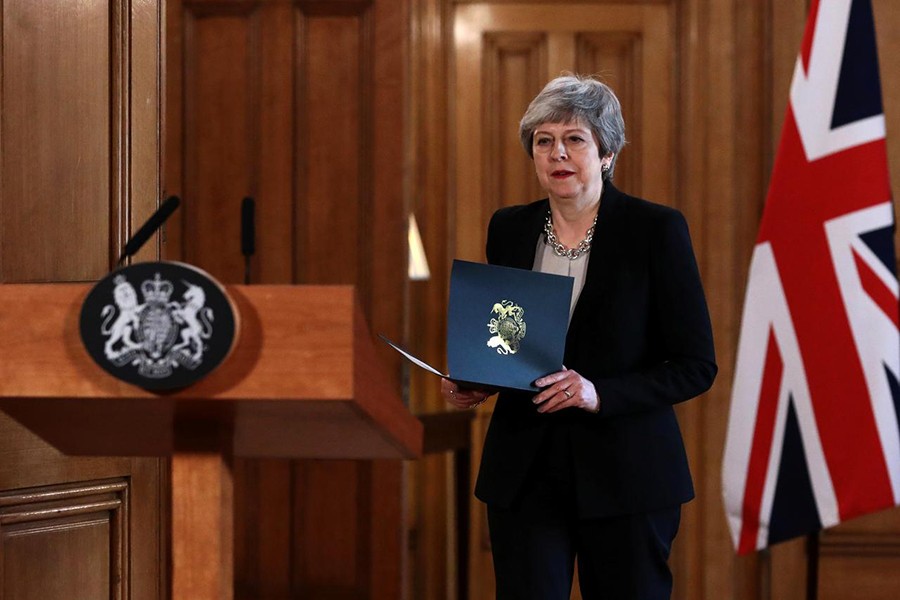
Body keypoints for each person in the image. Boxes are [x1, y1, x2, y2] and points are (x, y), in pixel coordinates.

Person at [440, 74, 717, 599]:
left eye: (574, 139)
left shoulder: (655, 230)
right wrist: (478, 378)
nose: (557, 153)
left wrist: (599, 393)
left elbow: (695, 364)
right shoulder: (509, 227)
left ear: (607, 152)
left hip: (627, 474)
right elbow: (514, 339)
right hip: (525, 472)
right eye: (543, 141)